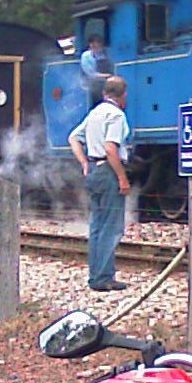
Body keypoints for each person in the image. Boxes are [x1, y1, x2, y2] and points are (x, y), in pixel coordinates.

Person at [67, 75, 132, 291]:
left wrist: (84, 162)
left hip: (94, 170)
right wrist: (122, 178)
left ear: (105, 93)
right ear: (123, 95)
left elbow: (73, 138)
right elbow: (110, 148)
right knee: (111, 227)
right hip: (108, 172)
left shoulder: (94, 113)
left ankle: (96, 275)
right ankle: (103, 277)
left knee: (96, 226)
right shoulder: (116, 115)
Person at [80, 33, 112, 104]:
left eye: (100, 44)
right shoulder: (86, 56)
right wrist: (106, 76)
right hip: (92, 84)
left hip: (106, 83)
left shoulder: (105, 53)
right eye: (95, 44)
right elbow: (90, 74)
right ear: (91, 45)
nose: (98, 46)